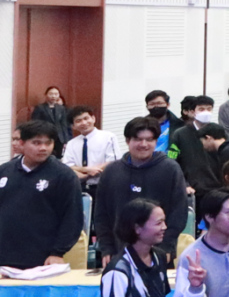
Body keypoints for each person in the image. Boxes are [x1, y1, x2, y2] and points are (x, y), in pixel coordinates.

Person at [93, 116, 189, 266]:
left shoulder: (170, 169)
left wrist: (166, 246)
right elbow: (101, 214)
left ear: (156, 141)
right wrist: (106, 248)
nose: (144, 144)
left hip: (159, 253)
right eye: (138, 139)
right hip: (117, 253)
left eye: (149, 139)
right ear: (127, 141)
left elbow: (179, 212)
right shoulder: (111, 171)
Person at [0, 120, 84, 268]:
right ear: (22, 143)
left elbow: (72, 217)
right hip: (4, 254)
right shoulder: (5, 171)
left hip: (43, 258)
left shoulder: (64, 176)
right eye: (36, 143)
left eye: (48, 143)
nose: (43, 148)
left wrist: (57, 253)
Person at [64, 106, 121, 186]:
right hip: (79, 186)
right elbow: (67, 166)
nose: (84, 123)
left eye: (86, 118)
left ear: (93, 118)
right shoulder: (71, 144)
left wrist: (92, 172)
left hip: (104, 184)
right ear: (73, 126)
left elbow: (113, 161)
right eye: (78, 121)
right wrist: (86, 170)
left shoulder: (108, 137)